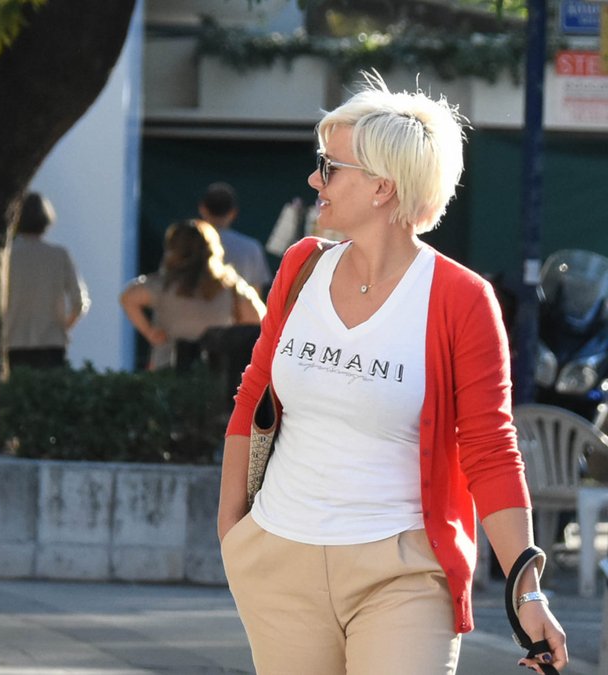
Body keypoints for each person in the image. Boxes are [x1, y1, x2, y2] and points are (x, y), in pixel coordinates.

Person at [216, 71, 567, 674]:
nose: (314, 180)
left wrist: (526, 589)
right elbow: (254, 398)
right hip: (278, 560)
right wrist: (233, 529)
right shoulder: (301, 268)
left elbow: (490, 449)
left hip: (403, 573)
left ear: (383, 186)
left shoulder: (461, 299)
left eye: (330, 168)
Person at [120, 219, 264, 370]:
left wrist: (150, 332)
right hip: (215, 372)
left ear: (172, 249)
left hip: (167, 372)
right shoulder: (230, 286)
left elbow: (127, 297)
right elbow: (258, 320)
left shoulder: (162, 285)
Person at [3, 192, 90, 371]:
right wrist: (63, 327)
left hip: (13, 341)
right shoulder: (59, 255)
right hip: (52, 343)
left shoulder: (6, 256)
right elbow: (79, 302)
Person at [199, 182, 273, 295]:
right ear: (233, 212)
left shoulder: (184, 246)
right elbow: (256, 293)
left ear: (202, 209)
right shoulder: (252, 248)